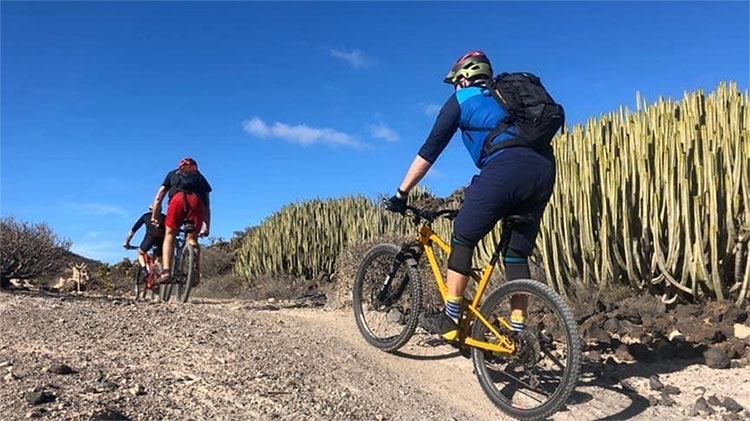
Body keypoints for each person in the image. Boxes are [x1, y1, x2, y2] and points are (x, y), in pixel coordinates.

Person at [385, 51, 557, 342]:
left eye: (454, 82)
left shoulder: (462, 99)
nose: (454, 88)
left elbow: (429, 152)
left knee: (463, 235)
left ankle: (450, 318)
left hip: (505, 167)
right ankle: (518, 332)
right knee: (516, 254)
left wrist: (402, 193)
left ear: (463, 78)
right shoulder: (507, 100)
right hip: (543, 170)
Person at [150, 157, 212, 285]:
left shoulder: (172, 174)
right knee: (192, 239)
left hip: (177, 201)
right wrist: (206, 225)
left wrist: (154, 216)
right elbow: (207, 206)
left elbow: (158, 198)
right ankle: (194, 269)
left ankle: (166, 271)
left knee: (170, 234)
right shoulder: (200, 177)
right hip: (196, 203)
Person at [123, 205, 166, 275]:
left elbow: (133, 230)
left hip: (150, 238)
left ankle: (144, 270)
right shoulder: (164, 217)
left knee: (140, 253)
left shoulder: (146, 216)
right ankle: (159, 274)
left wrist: (127, 242)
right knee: (159, 258)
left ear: (150, 210)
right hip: (162, 239)